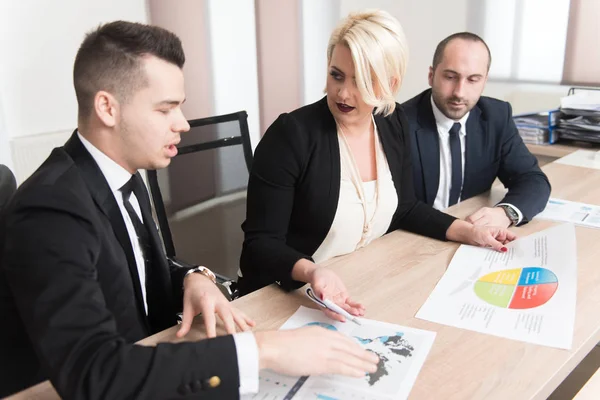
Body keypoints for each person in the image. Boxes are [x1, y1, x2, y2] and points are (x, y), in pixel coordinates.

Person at [0, 21, 378, 399]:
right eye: (167, 109)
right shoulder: (50, 211)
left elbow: (139, 269)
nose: (183, 124)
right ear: (107, 108)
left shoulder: (122, 174)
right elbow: (94, 375)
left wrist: (193, 278)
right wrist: (265, 350)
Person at [238, 11, 516, 309]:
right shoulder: (291, 135)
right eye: (336, 75)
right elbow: (260, 246)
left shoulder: (391, 121)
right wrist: (312, 270)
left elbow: (405, 207)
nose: (343, 93)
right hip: (283, 297)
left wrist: (468, 231)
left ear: (390, 84)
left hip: (361, 285)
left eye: (362, 81)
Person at [402, 32, 551, 228]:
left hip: (472, 234)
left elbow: (532, 180)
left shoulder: (497, 116)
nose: (459, 92)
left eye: (473, 80)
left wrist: (505, 213)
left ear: (484, 80)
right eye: (450, 77)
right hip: (417, 236)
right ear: (431, 76)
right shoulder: (400, 121)